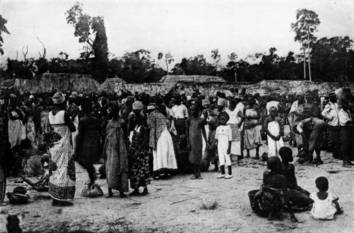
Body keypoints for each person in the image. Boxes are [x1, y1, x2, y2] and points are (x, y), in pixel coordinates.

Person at [48, 92, 76, 206]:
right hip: (64, 145)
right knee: (64, 169)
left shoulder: (50, 114)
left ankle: (54, 196)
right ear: (63, 102)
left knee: (54, 170)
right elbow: (73, 128)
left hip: (53, 145)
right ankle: (61, 197)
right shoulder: (64, 114)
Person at [249, 157, 298, 222]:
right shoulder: (282, 178)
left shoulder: (265, 174)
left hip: (265, 202)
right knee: (282, 195)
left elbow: (265, 185)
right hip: (276, 203)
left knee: (254, 192)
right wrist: (292, 214)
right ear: (278, 165)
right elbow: (285, 196)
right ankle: (274, 212)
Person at [103, 104, 129, 198]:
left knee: (120, 167)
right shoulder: (108, 123)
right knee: (109, 168)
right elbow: (106, 137)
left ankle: (121, 191)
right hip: (110, 148)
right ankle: (110, 191)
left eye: (111, 111)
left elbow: (126, 136)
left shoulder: (122, 122)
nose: (110, 113)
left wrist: (126, 147)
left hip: (120, 148)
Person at [74, 102, 102, 188]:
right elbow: (100, 132)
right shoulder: (95, 119)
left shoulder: (82, 120)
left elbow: (80, 134)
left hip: (85, 144)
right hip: (94, 143)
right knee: (88, 162)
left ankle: (92, 175)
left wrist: (77, 146)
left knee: (82, 160)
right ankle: (92, 175)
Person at [147, 103, 177, 179]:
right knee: (166, 153)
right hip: (167, 135)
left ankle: (157, 172)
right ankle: (166, 171)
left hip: (160, 136)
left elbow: (152, 129)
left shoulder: (153, 115)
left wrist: (152, 142)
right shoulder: (164, 116)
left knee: (158, 154)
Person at [279, 147, 313, 211]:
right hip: (289, 190)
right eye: (290, 155)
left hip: (287, 189)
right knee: (309, 199)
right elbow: (293, 183)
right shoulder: (290, 167)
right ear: (287, 156)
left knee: (308, 194)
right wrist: (296, 189)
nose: (292, 156)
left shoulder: (279, 166)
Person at [128, 108, 150, 196]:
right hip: (134, 151)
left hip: (141, 153)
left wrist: (138, 150)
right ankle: (136, 188)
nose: (134, 119)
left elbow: (145, 141)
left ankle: (145, 188)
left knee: (142, 171)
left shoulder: (143, 128)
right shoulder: (135, 128)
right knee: (134, 171)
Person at [187, 105, 205, 179]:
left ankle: (199, 173)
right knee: (192, 157)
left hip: (198, 140)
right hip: (191, 141)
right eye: (191, 110)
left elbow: (203, 131)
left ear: (197, 111)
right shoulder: (188, 120)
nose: (192, 111)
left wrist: (206, 141)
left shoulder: (201, 120)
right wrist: (188, 142)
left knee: (198, 156)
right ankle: (194, 173)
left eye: (194, 110)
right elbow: (187, 132)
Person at [321, 93, 341, 159]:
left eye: (335, 97)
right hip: (332, 124)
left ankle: (337, 153)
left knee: (338, 139)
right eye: (334, 97)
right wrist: (329, 117)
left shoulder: (336, 104)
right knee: (333, 139)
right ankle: (334, 152)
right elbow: (323, 113)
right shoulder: (328, 105)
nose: (335, 98)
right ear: (331, 98)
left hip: (337, 123)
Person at [215, 112, 232, 179]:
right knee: (221, 158)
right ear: (219, 119)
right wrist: (216, 146)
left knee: (227, 158)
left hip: (226, 145)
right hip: (220, 145)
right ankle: (222, 173)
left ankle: (230, 173)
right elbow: (216, 138)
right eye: (221, 119)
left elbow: (230, 139)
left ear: (227, 119)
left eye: (224, 119)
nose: (222, 120)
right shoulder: (218, 128)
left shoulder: (228, 127)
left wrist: (229, 148)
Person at [338, 100, 353, 167]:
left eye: (347, 104)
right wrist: (351, 122)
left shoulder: (348, 111)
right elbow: (345, 122)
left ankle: (348, 160)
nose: (346, 106)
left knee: (349, 145)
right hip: (344, 129)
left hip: (349, 129)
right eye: (345, 104)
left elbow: (350, 120)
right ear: (342, 105)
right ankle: (345, 162)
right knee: (345, 146)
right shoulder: (341, 112)